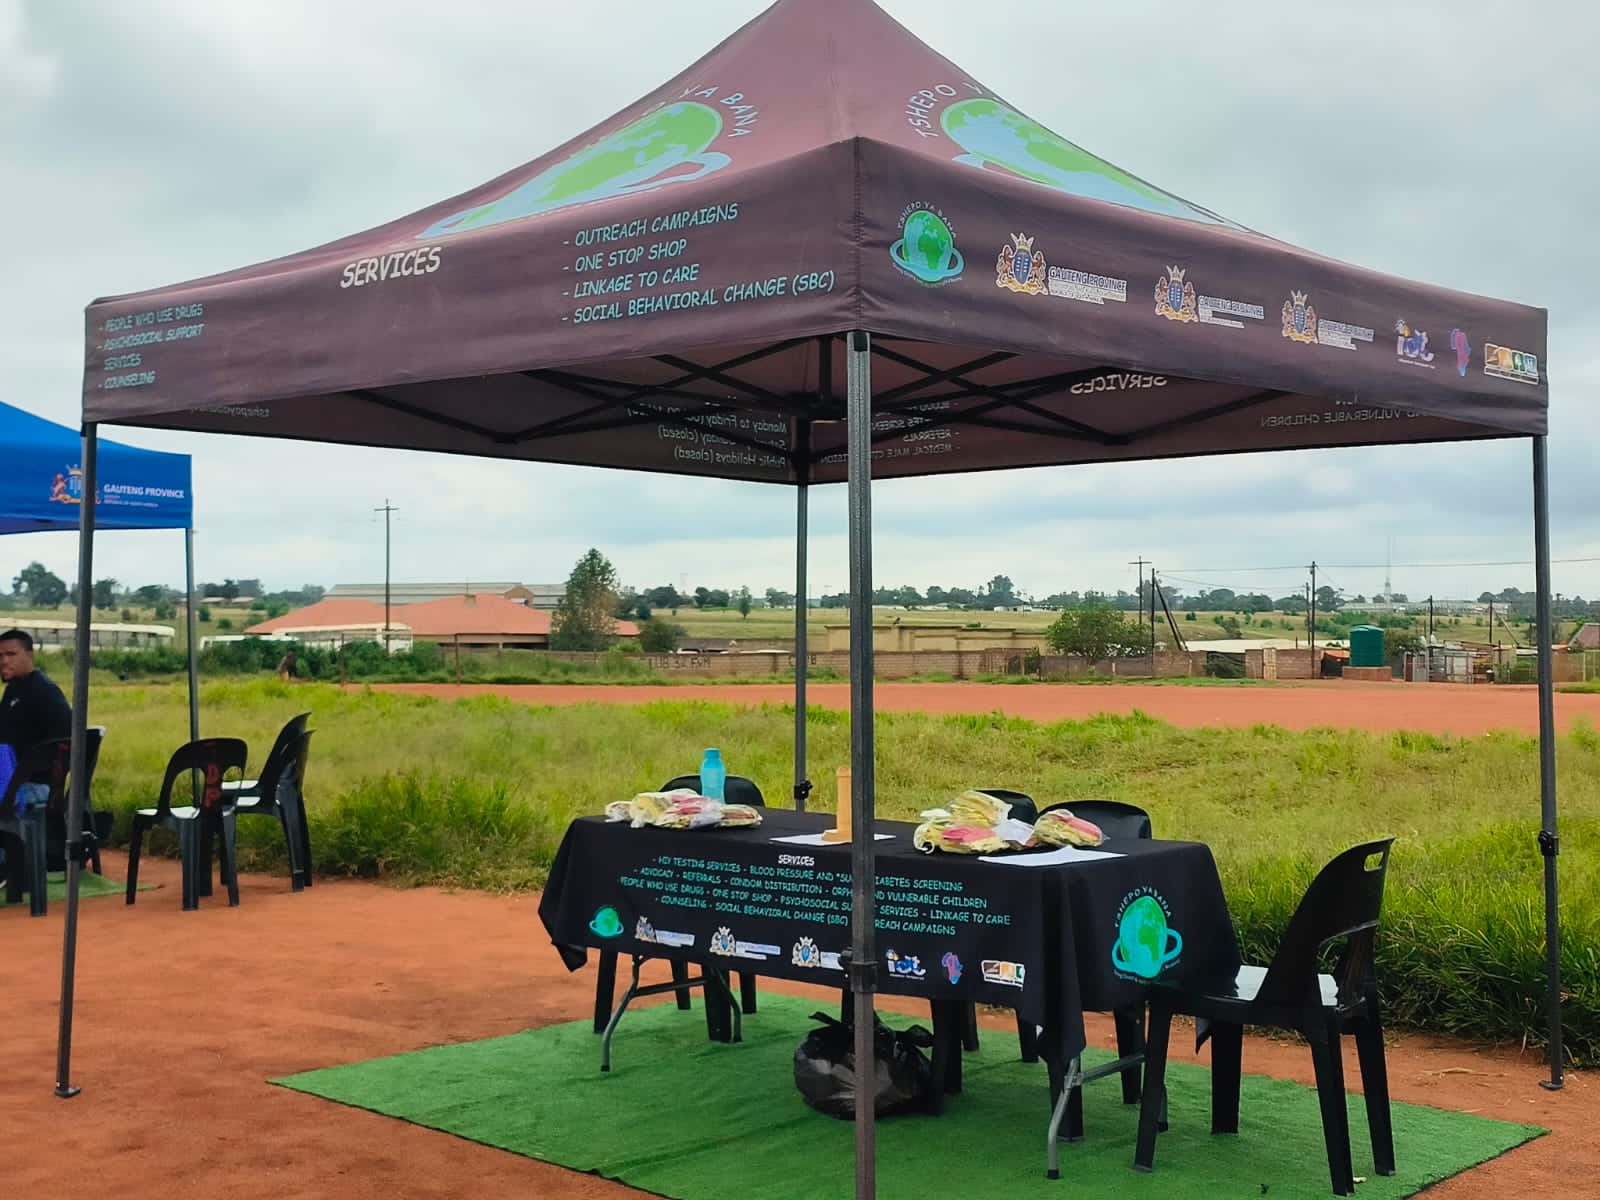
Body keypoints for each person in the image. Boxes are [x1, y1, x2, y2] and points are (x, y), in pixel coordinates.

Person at [0, 629, 73, 814]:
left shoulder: (44, 693)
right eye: (0, 656)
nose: (4, 661)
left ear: (30, 655)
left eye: (11, 654)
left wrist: (12, 790)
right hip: (9, 779)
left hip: (34, 786)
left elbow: (64, 746)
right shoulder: (13, 690)